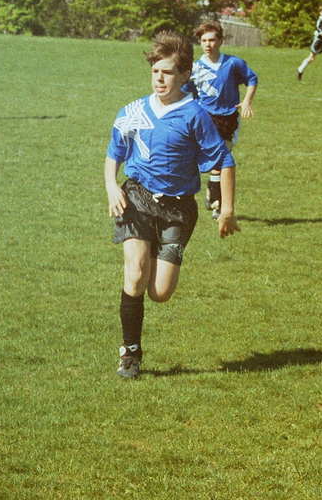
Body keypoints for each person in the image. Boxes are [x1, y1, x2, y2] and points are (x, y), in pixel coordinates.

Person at [105, 30, 240, 379]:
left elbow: (224, 161)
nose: (160, 79)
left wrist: (226, 210)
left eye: (167, 72)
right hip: (136, 198)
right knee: (135, 273)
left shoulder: (195, 115)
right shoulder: (134, 110)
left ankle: (151, 249)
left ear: (184, 75)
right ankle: (130, 353)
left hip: (178, 210)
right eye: (155, 72)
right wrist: (110, 186)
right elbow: (114, 151)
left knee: (160, 292)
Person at [190, 21, 257, 219]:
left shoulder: (233, 63)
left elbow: (252, 79)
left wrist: (247, 101)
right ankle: (213, 199)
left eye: (212, 40)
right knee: (208, 158)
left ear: (220, 41)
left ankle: (215, 200)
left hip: (228, 117)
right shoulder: (195, 68)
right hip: (205, 117)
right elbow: (188, 92)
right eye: (204, 40)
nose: (208, 44)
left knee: (221, 158)